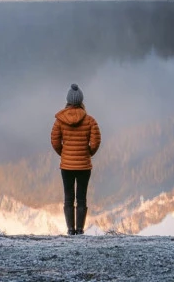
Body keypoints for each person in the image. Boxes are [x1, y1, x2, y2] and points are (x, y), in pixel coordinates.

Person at [50, 83, 101, 235]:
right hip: (84, 166)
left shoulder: (60, 120)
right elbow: (96, 141)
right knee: (81, 198)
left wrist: (64, 154)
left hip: (66, 166)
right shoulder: (90, 120)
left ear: (68, 100)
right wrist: (88, 153)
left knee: (68, 197)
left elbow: (54, 141)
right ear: (81, 100)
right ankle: (80, 230)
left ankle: (70, 230)